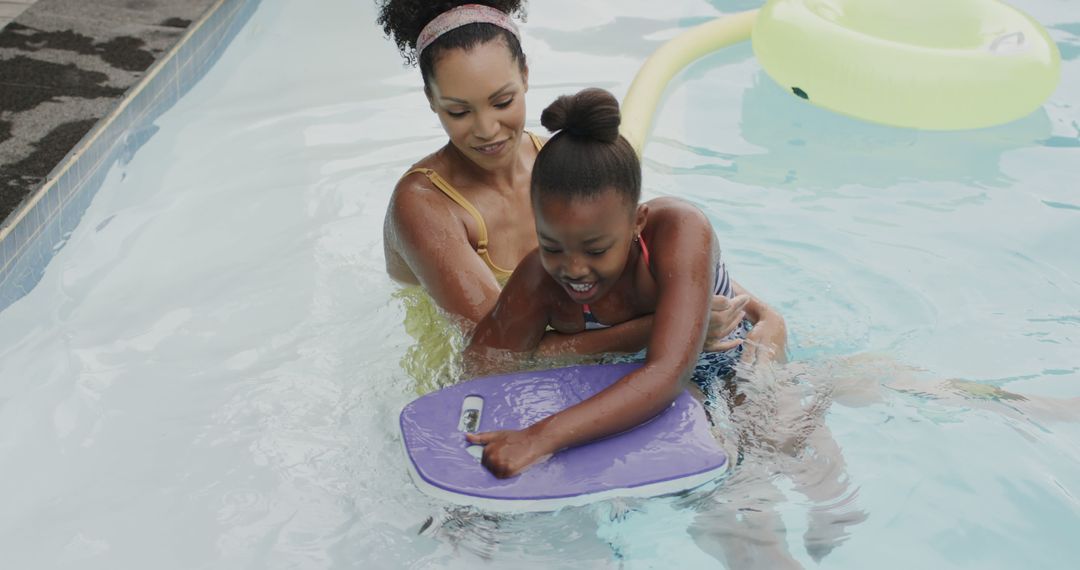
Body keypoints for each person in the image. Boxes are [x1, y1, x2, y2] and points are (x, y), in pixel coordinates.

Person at [377, 1, 781, 387]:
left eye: (502, 101)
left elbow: (638, 246)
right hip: (474, 379)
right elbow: (498, 354)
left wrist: (761, 311)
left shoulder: (557, 161)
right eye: (459, 112)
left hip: (600, 343)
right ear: (431, 100)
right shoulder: (423, 206)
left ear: (526, 76)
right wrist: (674, 325)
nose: (486, 128)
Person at [463, 87, 788, 478]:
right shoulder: (539, 278)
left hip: (736, 358)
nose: (574, 268)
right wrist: (650, 331)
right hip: (642, 387)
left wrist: (538, 437)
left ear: (638, 222)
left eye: (596, 250)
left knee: (776, 459)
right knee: (707, 492)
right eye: (552, 245)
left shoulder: (679, 229)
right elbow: (483, 365)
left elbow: (667, 372)